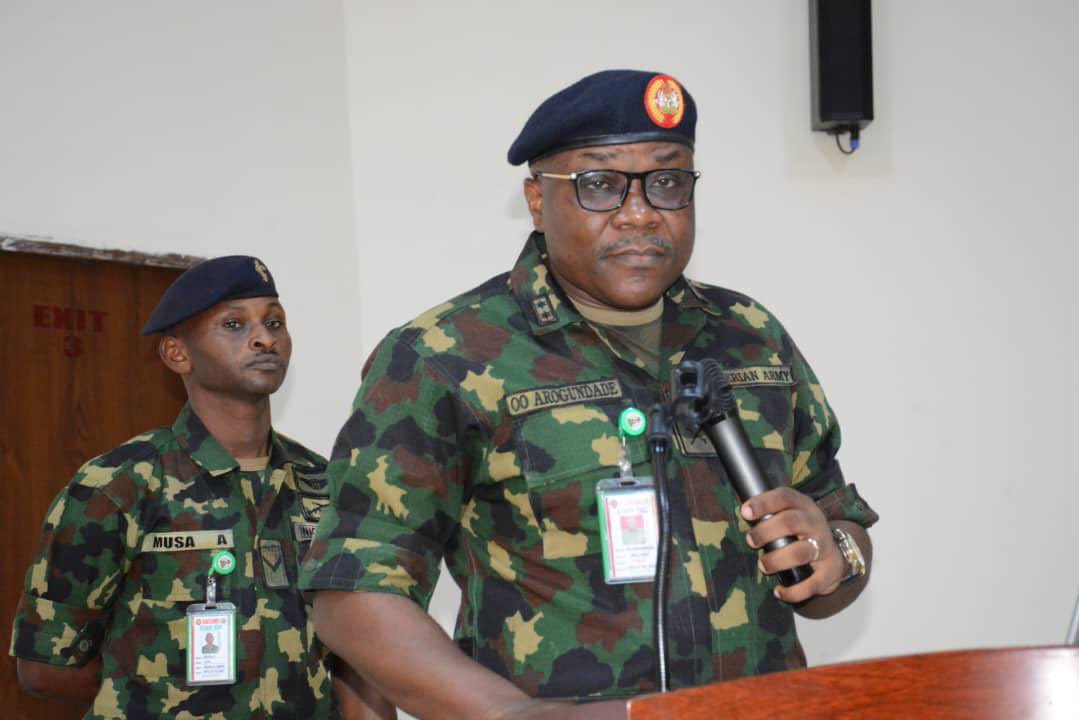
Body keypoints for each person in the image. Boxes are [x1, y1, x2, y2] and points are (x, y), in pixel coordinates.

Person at [301, 70, 879, 719]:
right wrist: (518, 716)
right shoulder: (444, 354)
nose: (640, 213)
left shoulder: (750, 337)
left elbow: (837, 527)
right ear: (537, 200)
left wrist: (837, 554)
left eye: (667, 182)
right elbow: (351, 596)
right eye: (600, 185)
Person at [10, 255, 395, 719]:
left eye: (274, 322)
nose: (264, 338)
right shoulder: (119, 485)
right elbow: (46, 667)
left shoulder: (323, 484)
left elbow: (358, 655)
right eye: (234, 324)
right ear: (178, 354)